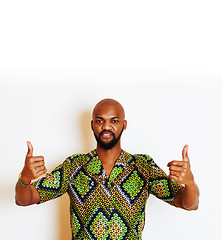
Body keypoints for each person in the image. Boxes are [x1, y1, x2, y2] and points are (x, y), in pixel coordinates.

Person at [15, 98, 199, 240]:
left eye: (114, 121)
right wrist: (24, 179)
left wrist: (190, 183)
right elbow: (25, 199)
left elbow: (187, 203)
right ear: (92, 125)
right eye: (100, 121)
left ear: (124, 125)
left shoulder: (144, 166)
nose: (106, 127)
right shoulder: (74, 166)